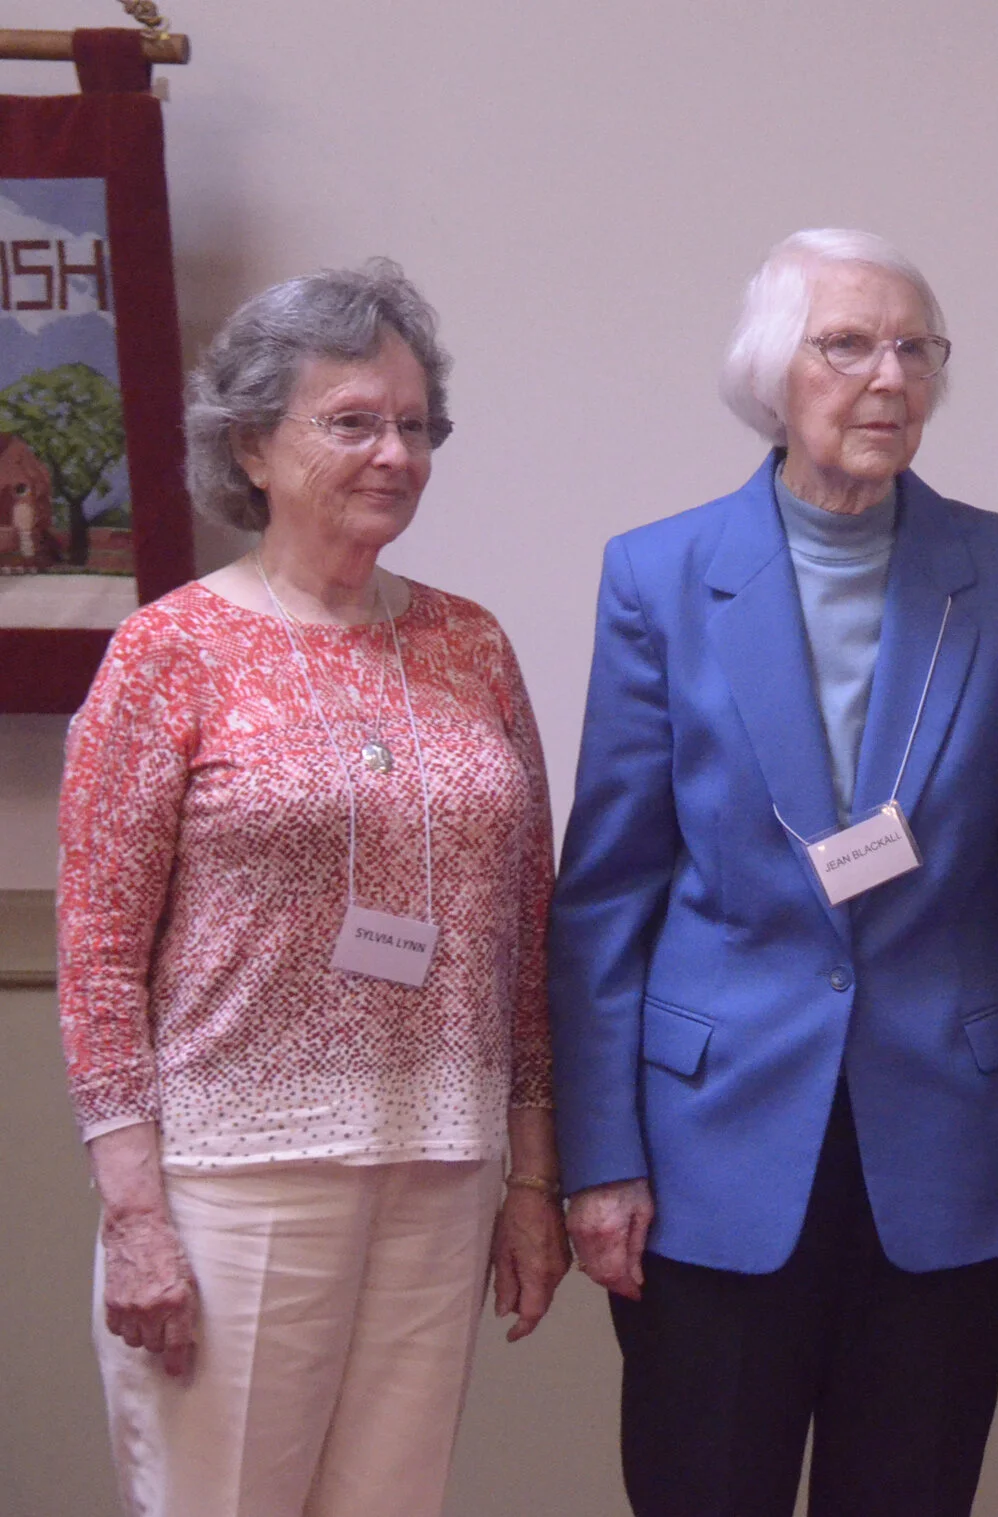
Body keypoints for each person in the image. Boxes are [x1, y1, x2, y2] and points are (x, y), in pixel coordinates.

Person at [549, 228, 998, 1517]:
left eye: (916, 348)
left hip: (954, 1140)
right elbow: (606, 898)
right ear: (771, 375)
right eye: (846, 344)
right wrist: (599, 1156)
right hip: (709, 1146)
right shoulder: (661, 574)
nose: (887, 377)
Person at [56, 259, 567, 1517]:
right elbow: (97, 952)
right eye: (352, 421)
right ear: (252, 445)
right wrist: (134, 1212)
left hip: (442, 1165)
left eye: (414, 423)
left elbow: (527, 933)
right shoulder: (169, 650)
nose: (394, 452)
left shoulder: (471, 641)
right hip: (234, 1179)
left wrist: (534, 1174)